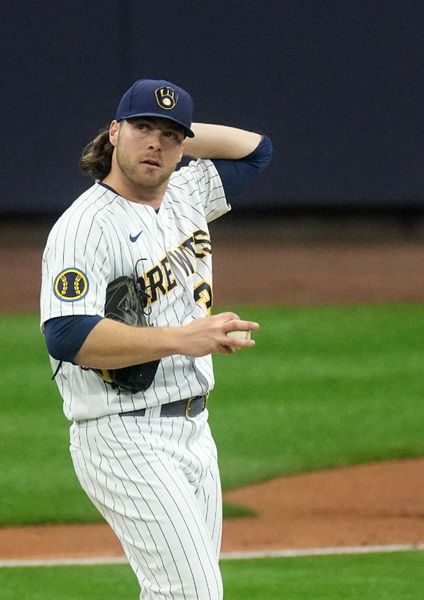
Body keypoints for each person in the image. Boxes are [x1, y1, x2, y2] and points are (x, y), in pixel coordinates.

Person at [40, 78, 272, 597]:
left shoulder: (188, 193)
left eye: (170, 135)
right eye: (143, 128)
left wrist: (178, 139)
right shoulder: (84, 227)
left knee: (178, 592)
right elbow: (65, 333)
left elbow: (257, 151)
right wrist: (181, 339)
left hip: (194, 430)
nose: (156, 144)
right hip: (122, 435)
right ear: (114, 132)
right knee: (192, 593)